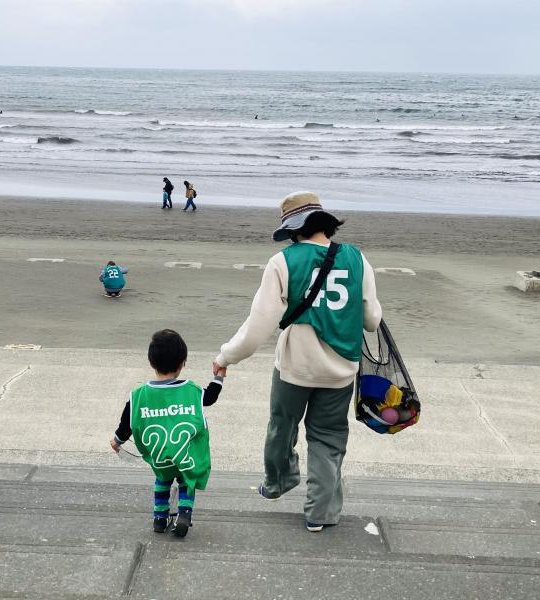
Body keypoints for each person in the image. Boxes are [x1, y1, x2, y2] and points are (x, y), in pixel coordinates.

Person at [212, 191, 382, 532]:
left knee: (282, 426)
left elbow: (258, 326)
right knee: (328, 438)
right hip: (341, 371)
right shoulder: (356, 258)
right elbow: (372, 320)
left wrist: (225, 357)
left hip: (294, 368)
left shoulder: (282, 262)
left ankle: (278, 483)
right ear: (325, 223)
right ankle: (320, 513)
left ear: (293, 228)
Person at [111, 329, 226, 537]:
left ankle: (160, 517)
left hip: (160, 456)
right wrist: (219, 376)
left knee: (162, 481)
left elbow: (126, 422)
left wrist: (117, 440)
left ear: (151, 362)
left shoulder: (138, 395)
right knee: (185, 481)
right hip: (184, 455)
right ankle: (184, 513)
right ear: (183, 362)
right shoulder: (191, 391)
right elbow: (209, 398)